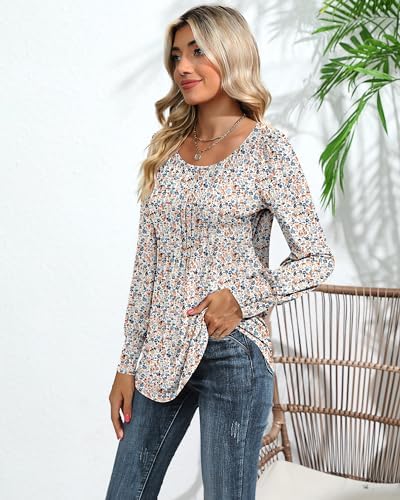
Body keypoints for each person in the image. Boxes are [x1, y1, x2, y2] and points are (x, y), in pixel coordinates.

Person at [105, 4, 335, 499]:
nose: (183, 67)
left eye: (197, 52)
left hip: (232, 353)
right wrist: (127, 364)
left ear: (230, 54)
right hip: (161, 350)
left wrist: (242, 297)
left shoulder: (268, 149)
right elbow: (147, 267)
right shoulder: (166, 149)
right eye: (176, 56)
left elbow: (316, 257)